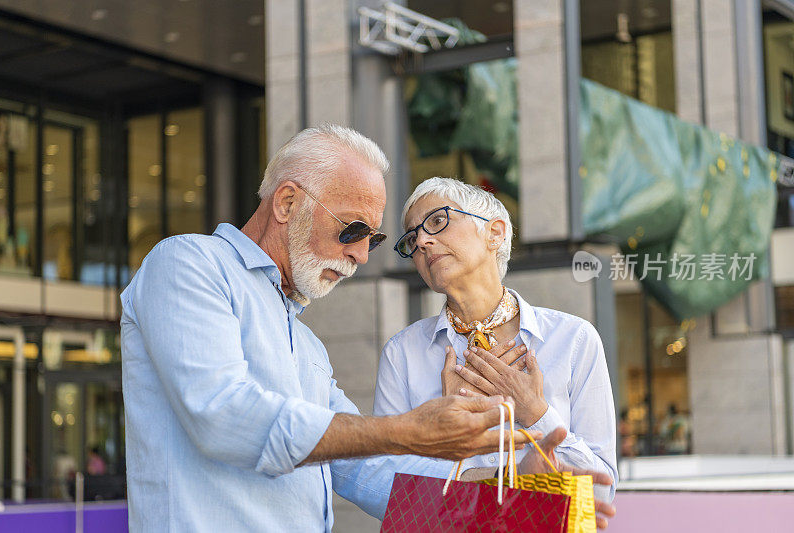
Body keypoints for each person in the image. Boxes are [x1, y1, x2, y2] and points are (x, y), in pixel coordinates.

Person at [121, 125, 553, 532]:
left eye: (374, 238)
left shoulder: (306, 344)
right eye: (353, 229)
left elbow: (368, 470)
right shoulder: (187, 263)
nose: (362, 255)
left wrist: (519, 505)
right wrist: (406, 431)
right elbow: (223, 415)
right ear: (287, 203)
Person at [375, 177, 618, 505]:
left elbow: (602, 491)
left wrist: (534, 410)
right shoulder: (402, 354)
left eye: (437, 221)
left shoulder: (574, 339)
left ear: (495, 232)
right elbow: (386, 491)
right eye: (412, 237)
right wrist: (448, 433)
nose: (422, 242)